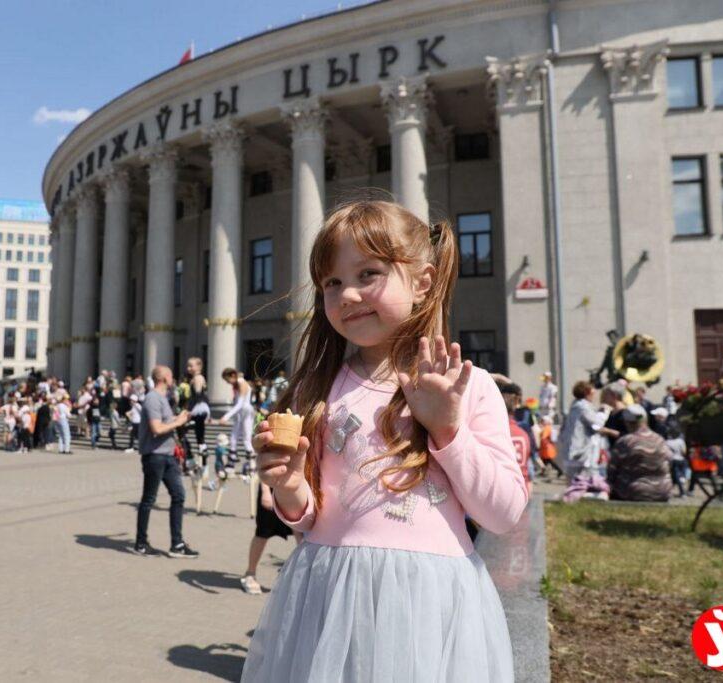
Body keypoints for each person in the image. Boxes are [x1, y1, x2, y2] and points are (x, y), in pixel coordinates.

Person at [241, 201, 526, 681]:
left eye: (368, 273)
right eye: (331, 282)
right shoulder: (317, 389)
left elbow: (502, 513)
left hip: (429, 601)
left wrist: (446, 430)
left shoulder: (464, 385)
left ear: (423, 282)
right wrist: (290, 488)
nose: (347, 294)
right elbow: (312, 517)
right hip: (327, 594)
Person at [132, 365, 197, 558]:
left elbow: (165, 423)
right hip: (155, 455)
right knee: (149, 499)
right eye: (171, 375)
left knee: (179, 495)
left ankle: (176, 544)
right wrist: (177, 423)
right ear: (164, 378)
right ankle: (141, 543)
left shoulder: (163, 399)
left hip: (168, 455)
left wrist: (180, 418)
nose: (173, 378)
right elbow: (157, 428)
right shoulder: (153, 398)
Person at [240, 482, 303, 595]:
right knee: (263, 532)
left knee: (300, 533)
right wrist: (265, 491)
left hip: (296, 487)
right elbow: (265, 465)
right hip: (273, 486)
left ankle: (306, 576)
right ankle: (250, 573)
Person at [607, 404, 672, 502]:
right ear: (645, 420)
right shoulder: (660, 440)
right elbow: (670, 461)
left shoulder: (625, 442)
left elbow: (611, 470)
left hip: (634, 491)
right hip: (663, 491)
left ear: (627, 422)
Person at [556, 382, 613, 480]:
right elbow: (597, 423)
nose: (594, 396)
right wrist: (605, 411)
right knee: (582, 483)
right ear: (587, 393)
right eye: (592, 393)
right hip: (580, 453)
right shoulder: (583, 407)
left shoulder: (575, 405)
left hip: (572, 452)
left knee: (573, 483)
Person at [216, 368, 256, 467]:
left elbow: (240, 404)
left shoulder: (241, 382)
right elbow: (238, 404)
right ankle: (232, 460)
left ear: (233, 375)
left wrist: (226, 417)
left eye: (227, 380)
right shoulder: (237, 384)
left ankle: (251, 464)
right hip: (240, 412)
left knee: (246, 438)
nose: (228, 383)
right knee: (234, 437)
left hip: (245, 411)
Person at [185, 357, 210, 456]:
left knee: (187, 427)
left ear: (199, 366)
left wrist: (189, 410)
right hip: (200, 406)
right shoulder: (196, 378)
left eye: (191, 366)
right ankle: (201, 446)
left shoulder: (198, 378)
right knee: (199, 428)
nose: (188, 368)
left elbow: (198, 394)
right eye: (188, 366)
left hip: (199, 406)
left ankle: (200, 448)